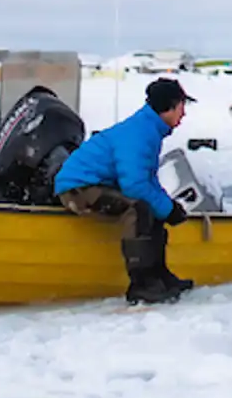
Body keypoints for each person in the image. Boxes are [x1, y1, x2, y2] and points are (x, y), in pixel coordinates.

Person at [53, 77, 196, 304]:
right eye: (182, 107)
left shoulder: (148, 129)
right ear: (168, 107)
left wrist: (167, 208)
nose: (184, 114)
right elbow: (135, 186)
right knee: (138, 210)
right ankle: (142, 284)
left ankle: (160, 275)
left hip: (96, 184)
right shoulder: (140, 133)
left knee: (154, 211)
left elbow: (146, 181)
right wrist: (168, 209)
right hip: (78, 189)